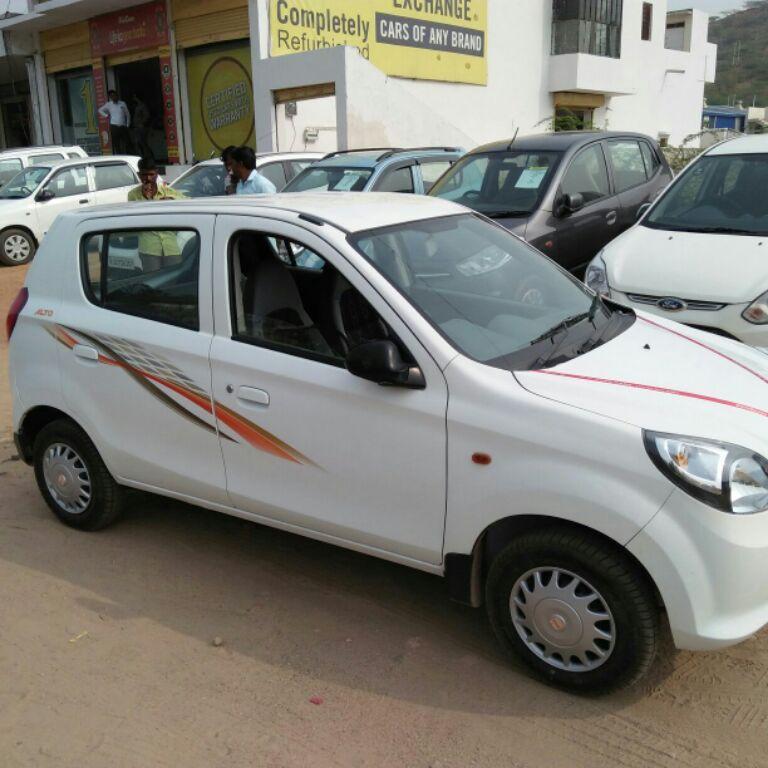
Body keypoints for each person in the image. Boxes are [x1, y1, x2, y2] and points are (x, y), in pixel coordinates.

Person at [128, 157, 186, 271]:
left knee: (175, 280)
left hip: (171, 247)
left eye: (151, 174)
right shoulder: (133, 195)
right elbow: (136, 221)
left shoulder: (167, 192)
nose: (148, 178)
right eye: (144, 175)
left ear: (156, 173)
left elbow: (189, 202)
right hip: (149, 249)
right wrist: (147, 199)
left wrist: (173, 202)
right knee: (153, 282)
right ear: (139, 175)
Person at [98, 90, 131, 155]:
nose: (114, 97)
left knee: (128, 143)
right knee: (116, 144)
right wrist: (106, 116)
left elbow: (128, 114)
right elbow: (100, 110)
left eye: (115, 95)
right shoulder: (108, 104)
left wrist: (128, 125)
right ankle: (119, 157)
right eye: (112, 96)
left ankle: (129, 156)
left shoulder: (122, 103)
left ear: (117, 95)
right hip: (114, 126)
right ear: (110, 97)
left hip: (123, 126)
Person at [132, 95, 152, 159]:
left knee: (143, 144)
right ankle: (143, 159)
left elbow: (147, 115)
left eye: (135, 97)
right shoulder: (136, 106)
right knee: (138, 144)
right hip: (137, 128)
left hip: (141, 128)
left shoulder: (142, 106)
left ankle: (149, 160)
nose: (133, 98)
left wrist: (142, 123)